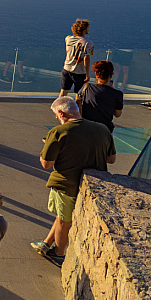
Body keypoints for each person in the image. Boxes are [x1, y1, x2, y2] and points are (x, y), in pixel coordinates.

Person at [31, 97, 116, 267]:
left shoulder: (58, 132)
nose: (56, 118)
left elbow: (46, 164)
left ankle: (59, 253)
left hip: (66, 185)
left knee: (64, 219)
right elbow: (111, 159)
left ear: (61, 113)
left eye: (56, 114)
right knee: (62, 215)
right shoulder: (102, 129)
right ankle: (47, 243)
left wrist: (45, 147)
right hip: (92, 185)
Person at [76, 60, 123, 132]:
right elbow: (117, 114)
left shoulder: (86, 87)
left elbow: (78, 100)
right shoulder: (117, 94)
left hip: (87, 128)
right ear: (111, 75)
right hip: (105, 130)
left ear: (96, 74)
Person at [59, 19, 94, 97]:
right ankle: (77, 109)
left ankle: (58, 108)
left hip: (66, 69)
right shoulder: (88, 43)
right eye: (88, 28)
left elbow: (68, 37)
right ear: (84, 30)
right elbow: (86, 59)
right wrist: (87, 74)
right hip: (80, 72)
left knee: (63, 93)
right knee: (79, 95)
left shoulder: (68, 39)